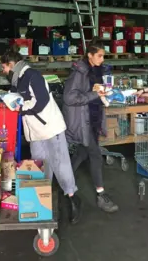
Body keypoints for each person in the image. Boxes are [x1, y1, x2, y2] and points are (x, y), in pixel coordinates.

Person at [0, 46, 82, 224]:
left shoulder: (32, 76)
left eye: (4, 67)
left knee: (60, 164)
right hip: (35, 132)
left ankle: (72, 198)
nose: (3, 71)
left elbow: (42, 101)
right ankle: (44, 199)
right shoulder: (17, 80)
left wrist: (22, 108)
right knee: (40, 165)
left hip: (50, 127)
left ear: (12, 64)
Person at [63, 38, 119, 213]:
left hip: (92, 118)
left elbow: (93, 91)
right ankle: (101, 195)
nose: (102, 59)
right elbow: (69, 98)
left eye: (104, 56)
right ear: (90, 55)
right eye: (100, 56)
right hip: (82, 121)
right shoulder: (79, 73)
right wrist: (94, 94)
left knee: (82, 152)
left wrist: (103, 92)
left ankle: (63, 183)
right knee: (94, 154)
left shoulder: (94, 71)